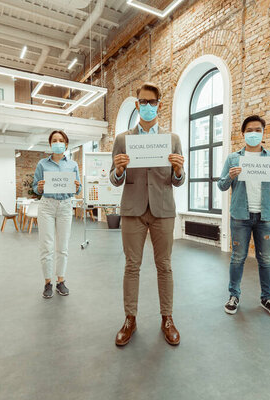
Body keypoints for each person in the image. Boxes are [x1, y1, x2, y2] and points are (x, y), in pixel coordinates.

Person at [110, 82, 185, 346]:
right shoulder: (122, 140)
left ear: (159, 105)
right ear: (137, 104)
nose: (148, 106)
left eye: (152, 102)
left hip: (163, 210)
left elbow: (178, 180)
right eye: (143, 101)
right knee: (132, 266)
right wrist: (119, 169)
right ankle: (130, 318)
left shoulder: (172, 139)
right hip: (133, 210)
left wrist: (178, 170)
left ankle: (168, 318)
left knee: (164, 266)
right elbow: (114, 179)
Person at [217, 115, 270, 317]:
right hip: (240, 216)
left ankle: (267, 298)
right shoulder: (233, 158)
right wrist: (230, 176)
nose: (254, 133)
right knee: (237, 257)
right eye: (250, 130)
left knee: (265, 259)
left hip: (265, 217)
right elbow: (222, 185)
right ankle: (234, 296)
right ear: (243, 133)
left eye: (258, 130)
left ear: (263, 133)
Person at [33, 130, 81, 298]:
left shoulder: (73, 165)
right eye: (55, 140)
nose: (58, 142)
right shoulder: (42, 164)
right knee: (46, 246)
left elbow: (79, 188)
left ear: (66, 144)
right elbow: (35, 187)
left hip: (66, 206)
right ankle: (47, 282)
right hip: (47, 205)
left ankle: (61, 281)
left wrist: (76, 187)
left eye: (61, 140)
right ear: (50, 144)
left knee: (63, 246)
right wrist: (38, 187)